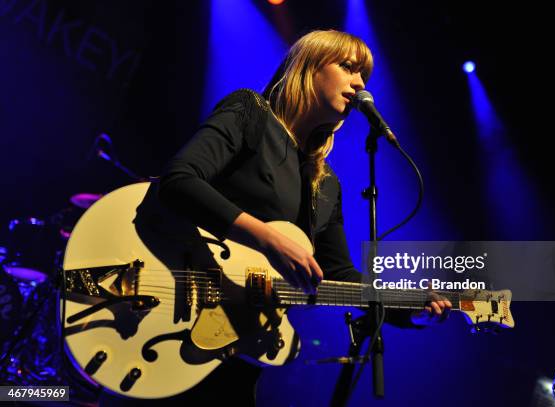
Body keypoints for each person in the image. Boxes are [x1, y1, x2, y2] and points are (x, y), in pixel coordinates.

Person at [100, 29, 451, 406]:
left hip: (237, 351)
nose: (360, 83)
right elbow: (178, 181)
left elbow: (337, 275)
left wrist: (407, 305)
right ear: (309, 67)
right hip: (171, 312)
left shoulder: (326, 183)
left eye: (364, 75)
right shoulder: (250, 112)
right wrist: (266, 237)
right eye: (348, 67)